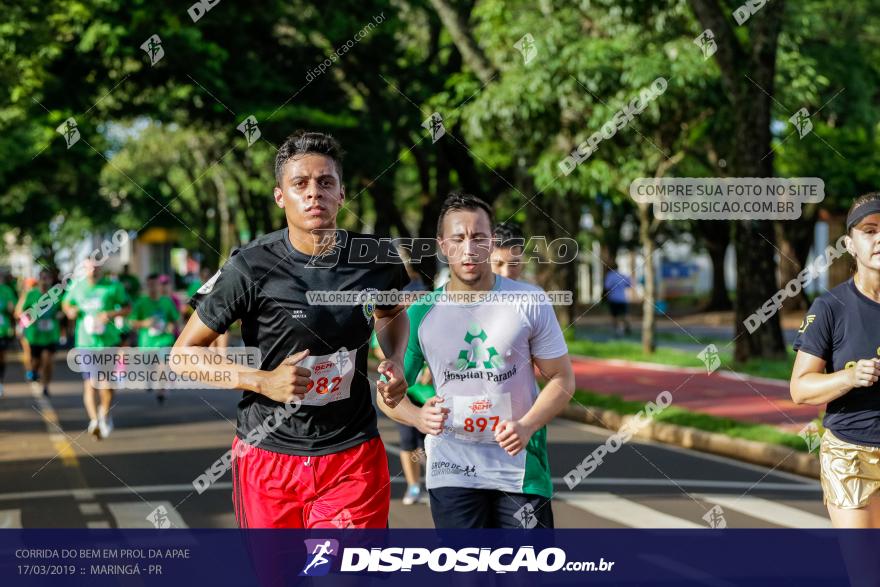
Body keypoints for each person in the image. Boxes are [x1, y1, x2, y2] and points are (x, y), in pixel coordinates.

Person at [172, 130, 410, 528]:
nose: (314, 193)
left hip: (351, 454)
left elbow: (391, 314)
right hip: (268, 458)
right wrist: (263, 381)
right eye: (300, 183)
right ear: (280, 196)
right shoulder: (249, 266)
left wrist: (397, 359)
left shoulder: (376, 258)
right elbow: (184, 355)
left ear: (342, 194)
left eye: (325, 182)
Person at [378, 192, 575, 529]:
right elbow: (389, 395)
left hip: (520, 471)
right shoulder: (421, 313)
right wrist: (417, 416)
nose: (469, 248)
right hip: (452, 472)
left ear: (491, 242)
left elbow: (562, 379)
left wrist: (526, 426)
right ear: (442, 245)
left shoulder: (529, 301)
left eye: (479, 237)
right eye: (458, 238)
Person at [791, 192, 880, 528]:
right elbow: (800, 390)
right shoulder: (831, 307)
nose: (879, 238)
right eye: (869, 231)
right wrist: (850, 377)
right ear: (850, 244)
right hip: (850, 455)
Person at [62, 259, 130, 439]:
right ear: (84, 269)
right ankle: (94, 421)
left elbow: (127, 307)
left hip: (108, 342)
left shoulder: (112, 287)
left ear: (101, 269)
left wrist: (110, 313)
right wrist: (71, 311)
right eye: (90, 266)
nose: (93, 270)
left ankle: (104, 414)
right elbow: (66, 304)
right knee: (91, 382)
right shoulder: (76, 287)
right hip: (85, 343)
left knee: (107, 385)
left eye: (97, 266)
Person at [130, 273, 180, 404]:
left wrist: (171, 326)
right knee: (150, 367)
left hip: (164, 340)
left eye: (156, 284)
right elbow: (132, 322)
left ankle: (161, 391)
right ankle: (150, 379)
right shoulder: (141, 302)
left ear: (160, 285)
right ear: (147, 286)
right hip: (147, 343)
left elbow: (175, 319)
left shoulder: (166, 301)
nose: (153, 287)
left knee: (162, 365)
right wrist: (144, 323)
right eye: (150, 285)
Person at [15, 270, 62, 396]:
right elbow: (19, 313)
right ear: (39, 280)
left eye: (47, 278)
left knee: (48, 361)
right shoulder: (31, 294)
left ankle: (45, 386)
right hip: (34, 335)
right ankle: (34, 371)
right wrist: (28, 318)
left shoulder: (56, 295)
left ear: (51, 280)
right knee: (35, 361)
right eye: (43, 278)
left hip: (51, 334)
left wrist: (60, 315)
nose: (45, 281)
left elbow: (63, 310)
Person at [0, 272, 17, 398]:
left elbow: (13, 309)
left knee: (1, 357)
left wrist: (9, 309)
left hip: (3, 330)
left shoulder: (6, 291)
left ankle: (0, 383)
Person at [604, 263, 632, 336]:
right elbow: (629, 284)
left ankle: (617, 330)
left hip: (613, 298)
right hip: (622, 298)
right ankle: (627, 327)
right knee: (624, 314)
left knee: (614, 315)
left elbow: (607, 287)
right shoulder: (622, 275)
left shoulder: (610, 275)